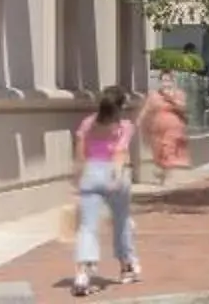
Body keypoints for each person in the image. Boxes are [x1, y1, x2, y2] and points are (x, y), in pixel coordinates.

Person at [71, 85, 139, 294]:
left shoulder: (88, 123)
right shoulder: (124, 126)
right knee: (121, 221)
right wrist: (117, 176)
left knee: (87, 226)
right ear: (121, 105)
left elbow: (80, 154)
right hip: (113, 174)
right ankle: (126, 265)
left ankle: (83, 273)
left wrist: (77, 179)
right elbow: (120, 152)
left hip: (90, 173)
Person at [141, 82, 190, 184]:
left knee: (167, 148)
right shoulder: (154, 95)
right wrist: (140, 120)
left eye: (168, 79)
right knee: (158, 152)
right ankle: (162, 172)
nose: (165, 83)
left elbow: (183, 108)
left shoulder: (178, 94)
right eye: (163, 80)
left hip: (173, 127)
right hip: (157, 128)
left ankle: (166, 174)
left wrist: (170, 98)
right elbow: (147, 109)